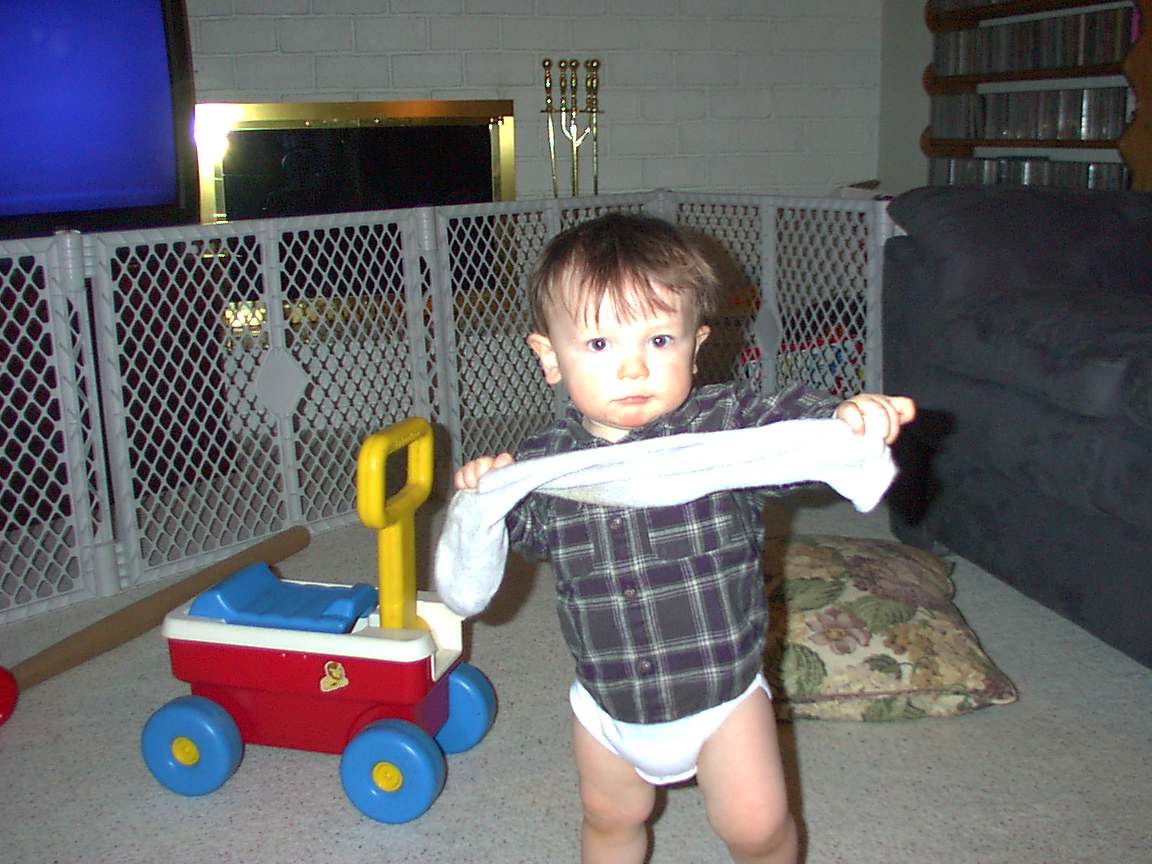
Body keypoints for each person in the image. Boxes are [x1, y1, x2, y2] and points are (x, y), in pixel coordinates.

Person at [454, 213, 915, 864]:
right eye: (599, 343)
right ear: (550, 357)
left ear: (696, 347)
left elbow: (786, 426)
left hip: (722, 697)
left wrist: (841, 419)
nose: (633, 367)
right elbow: (513, 542)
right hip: (609, 706)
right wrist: (488, 500)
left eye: (660, 340)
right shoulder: (545, 464)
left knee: (757, 828)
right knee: (610, 819)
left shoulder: (722, 427)